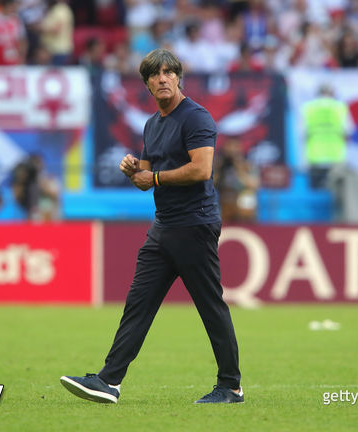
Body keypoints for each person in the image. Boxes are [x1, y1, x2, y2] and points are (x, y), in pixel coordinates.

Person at [60, 48, 243, 405]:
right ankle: (109, 380)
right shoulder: (152, 124)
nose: (162, 79)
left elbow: (201, 169)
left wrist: (153, 177)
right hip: (164, 227)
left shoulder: (196, 117)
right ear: (146, 83)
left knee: (209, 306)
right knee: (138, 304)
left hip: (194, 224)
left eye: (168, 72)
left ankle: (231, 386)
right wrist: (134, 171)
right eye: (154, 75)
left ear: (178, 78)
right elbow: (146, 176)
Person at [301, 84, 350, 189]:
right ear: (332, 93)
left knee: (315, 191)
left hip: (315, 157)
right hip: (335, 158)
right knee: (336, 191)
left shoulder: (309, 108)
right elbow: (347, 132)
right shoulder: (340, 108)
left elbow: (303, 133)